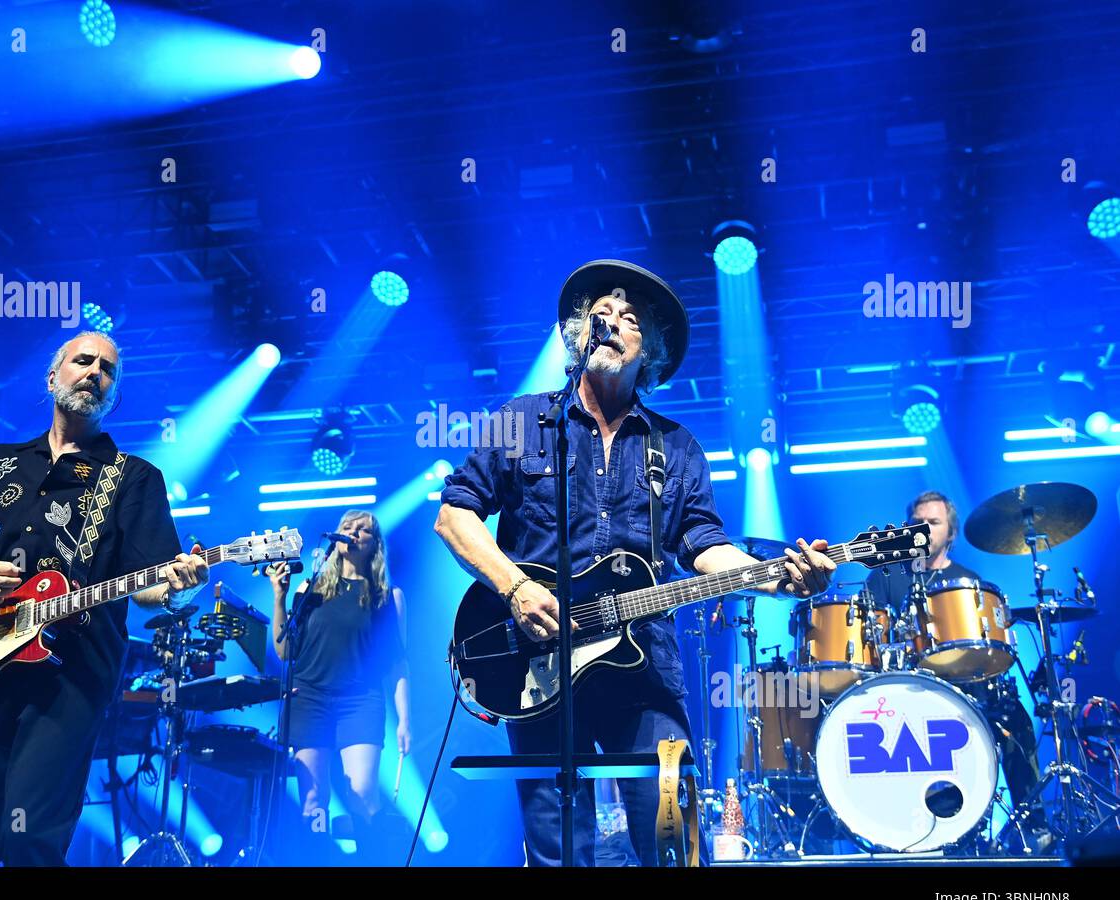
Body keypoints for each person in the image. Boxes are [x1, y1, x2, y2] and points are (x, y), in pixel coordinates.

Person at [434, 259, 837, 866]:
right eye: (601, 311)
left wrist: (779, 578)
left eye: (630, 318)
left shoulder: (675, 446)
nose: (612, 319)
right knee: (558, 849)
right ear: (578, 334)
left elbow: (705, 546)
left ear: (650, 351)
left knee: (673, 836)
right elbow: (454, 516)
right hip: (537, 663)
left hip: (643, 667)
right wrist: (515, 587)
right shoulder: (524, 419)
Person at [0, 331, 209, 865]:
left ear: (113, 395)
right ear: (54, 377)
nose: (95, 371)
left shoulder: (134, 479)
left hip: (68, 679)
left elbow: (145, 586)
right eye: (84, 361)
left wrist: (175, 584)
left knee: (30, 839)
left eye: (109, 370)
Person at [863, 489, 1042, 827]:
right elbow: (869, 638)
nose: (924, 528)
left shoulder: (968, 583)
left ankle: (1032, 828)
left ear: (951, 533)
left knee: (1015, 718)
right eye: (917, 522)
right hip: (905, 691)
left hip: (962, 689)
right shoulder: (885, 576)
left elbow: (979, 651)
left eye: (933, 522)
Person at [267, 510, 410, 858]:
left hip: (360, 702)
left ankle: (370, 858)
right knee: (314, 799)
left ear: (375, 545)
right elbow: (285, 651)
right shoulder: (311, 589)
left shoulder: (388, 597)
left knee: (362, 793)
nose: (353, 532)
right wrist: (280, 597)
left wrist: (405, 719)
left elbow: (397, 664)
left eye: (363, 530)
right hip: (309, 700)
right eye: (347, 527)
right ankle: (316, 857)